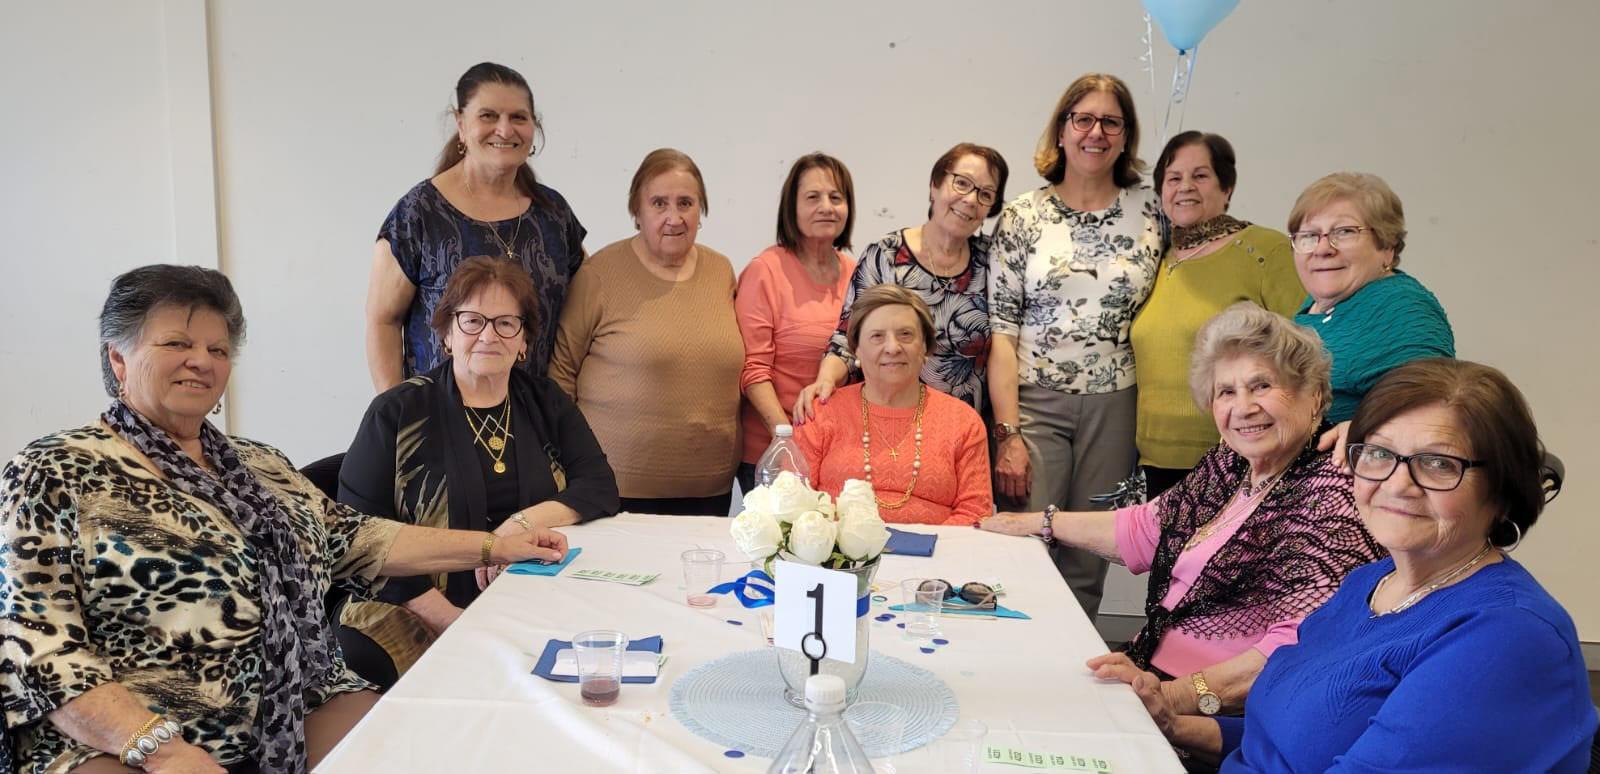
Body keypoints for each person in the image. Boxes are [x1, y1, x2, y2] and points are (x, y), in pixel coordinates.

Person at [0, 265, 568, 773]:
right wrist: (165, 752)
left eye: (218, 349)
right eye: (177, 342)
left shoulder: (260, 464)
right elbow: (40, 652)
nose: (202, 360)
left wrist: (495, 546)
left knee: (435, 751)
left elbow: (357, 538)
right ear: (118, 358)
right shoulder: (55, 471)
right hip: (125, 739)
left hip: (295, 704)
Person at [1098, 359, 1597, 771]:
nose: (1397, 485)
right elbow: (1281, 736)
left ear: (1504, 490)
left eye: (1439, 463)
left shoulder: (1506, 637)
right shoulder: (1368, 583)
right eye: (1378, 453)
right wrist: (1171, 722)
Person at [982, 303, 1381, 712]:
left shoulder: (1333, 492)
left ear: (1313, 396)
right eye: (1226, 392)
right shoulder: (1230, 464)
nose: (1243, 407)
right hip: (1148, 673)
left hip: (1220, 712)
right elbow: (1146, 529)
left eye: (1262, 386)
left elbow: (1297, 643)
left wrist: (1174, 696)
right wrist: (1039, 521)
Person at [337, 256, 618, 690]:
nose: (488, 335)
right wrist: (449, 618)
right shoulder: (397, 412)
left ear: (523, 340)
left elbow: (599, 486)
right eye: (472, 321)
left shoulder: (544, 401)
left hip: (528, 593)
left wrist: (520, 524)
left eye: (506, 323)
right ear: (447, 334)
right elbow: (361, 536)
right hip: (416, 604)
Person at [987, 73, 1164, 618]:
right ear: (1062, 130)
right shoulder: (1024, 215)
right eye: (1083, 119)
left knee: (1090, 551)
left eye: (1111, 121)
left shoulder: (1153, 211)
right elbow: (1001, 334)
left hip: (1117, 404)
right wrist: (1008, 434)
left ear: (1126, 136)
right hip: (1035, 401)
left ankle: (1077, 658)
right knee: (1025, 542)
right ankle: (1018, 655)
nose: (1096, 132)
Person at [365, 62, 586, 391]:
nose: (504, 130)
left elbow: (587, 307)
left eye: (518, 117)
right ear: (461, 124)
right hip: (438, 416)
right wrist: (396, 411)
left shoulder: (554, 213)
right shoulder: (418, 213)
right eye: (488, 116)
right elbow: (383, 320)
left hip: (534, 417)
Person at [550, 149, 742, 515]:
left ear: (700, 211)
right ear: (636, 212)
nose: (674, 217)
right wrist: (570, 460)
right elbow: (561, 373)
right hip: (614, 490)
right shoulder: (599, 274)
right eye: (659, 203)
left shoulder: (721, 271)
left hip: (712, 491)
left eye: (686, 203)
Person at [1131, 132, 1305, 497]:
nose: (1185, 187)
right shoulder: (1155, 259)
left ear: (1227, 188)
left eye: (1200, 175)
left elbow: (1306, 350)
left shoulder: (1264, 250)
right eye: (1174, 178)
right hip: (1155, 459)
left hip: (1238, 453)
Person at [792, 142, 1008, 421]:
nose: (970, 200)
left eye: (985, 194)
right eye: (962, 183)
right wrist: (825, 381)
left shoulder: (994, 261)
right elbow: (848, 337)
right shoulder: (886, 255)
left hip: (966, 429)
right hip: (889, 422)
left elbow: (1009, 343)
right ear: (935, 185)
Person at [1289, 172, 1454, 463]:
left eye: (1344, 232)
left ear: (1387, 246)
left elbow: (1432, 410)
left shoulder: (1402, 305)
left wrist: (1362, 431)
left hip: (1359, 474)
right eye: (1309, 236)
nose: (1323, 249)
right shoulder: (1318, 303)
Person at [795, 286, 992, 525]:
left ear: (925, 347)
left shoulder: (963, 421)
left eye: (906, 334)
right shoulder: (820, 413)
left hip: (939, 547)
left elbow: (975, 512)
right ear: (856, 349)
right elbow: (796, 503)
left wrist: (928, 545)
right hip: (837, 547)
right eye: (877, 336)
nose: (892, 348)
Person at [735, 153, 858, 493]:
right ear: (792, 207)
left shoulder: (856, 272)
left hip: (836, 450)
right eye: (813, 197)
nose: (826, 207)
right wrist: (787, 440)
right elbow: (753, 370)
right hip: (774, 450)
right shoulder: (765, 271)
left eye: (836, 197)